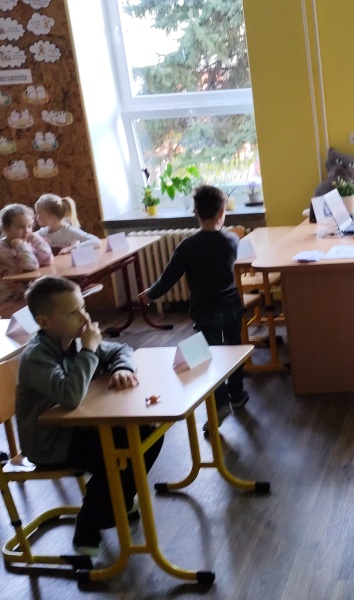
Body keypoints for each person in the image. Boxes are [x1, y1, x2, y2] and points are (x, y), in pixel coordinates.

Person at [16, 276, 163, 556]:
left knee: (149, 431)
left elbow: (121, 349)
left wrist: (123, 368)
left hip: (79, 427)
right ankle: (89, 524)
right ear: (44, 322)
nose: (85, 317)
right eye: (73, 312)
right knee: (118, 453)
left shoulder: (72, 339)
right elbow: (70, 395)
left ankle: (116, 501)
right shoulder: (37, 356)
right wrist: (88, 350)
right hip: (49, 442)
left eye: (83, 307)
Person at [139, 185, 248, 431]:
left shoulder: (188, 246)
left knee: (209, 357)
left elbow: (168, 277)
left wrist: (149, 295)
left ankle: (220, 404)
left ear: (195, 212)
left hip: (205, 311)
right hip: (232, 306)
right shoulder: (232, 239)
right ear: (222, 212)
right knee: (234, 352)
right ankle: (237, 394)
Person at [0, 203, 53, 318]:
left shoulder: (27, 241)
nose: (26, 231)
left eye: (29, 226)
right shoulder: (3, 250)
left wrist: (36, 238)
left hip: (28, 293)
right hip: (10, 300)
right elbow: (31, 266)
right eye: (20, 227)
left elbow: (47, 259)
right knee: (50, 308)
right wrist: (21, 247)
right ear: (6, 228)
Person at [35, 193, 101, 254]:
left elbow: (96, 241)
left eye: (39, 214)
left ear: (52, 217)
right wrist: (40, 242)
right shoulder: (42, 233)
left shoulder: (69, 231)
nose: (36, 217)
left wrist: (72, 248)